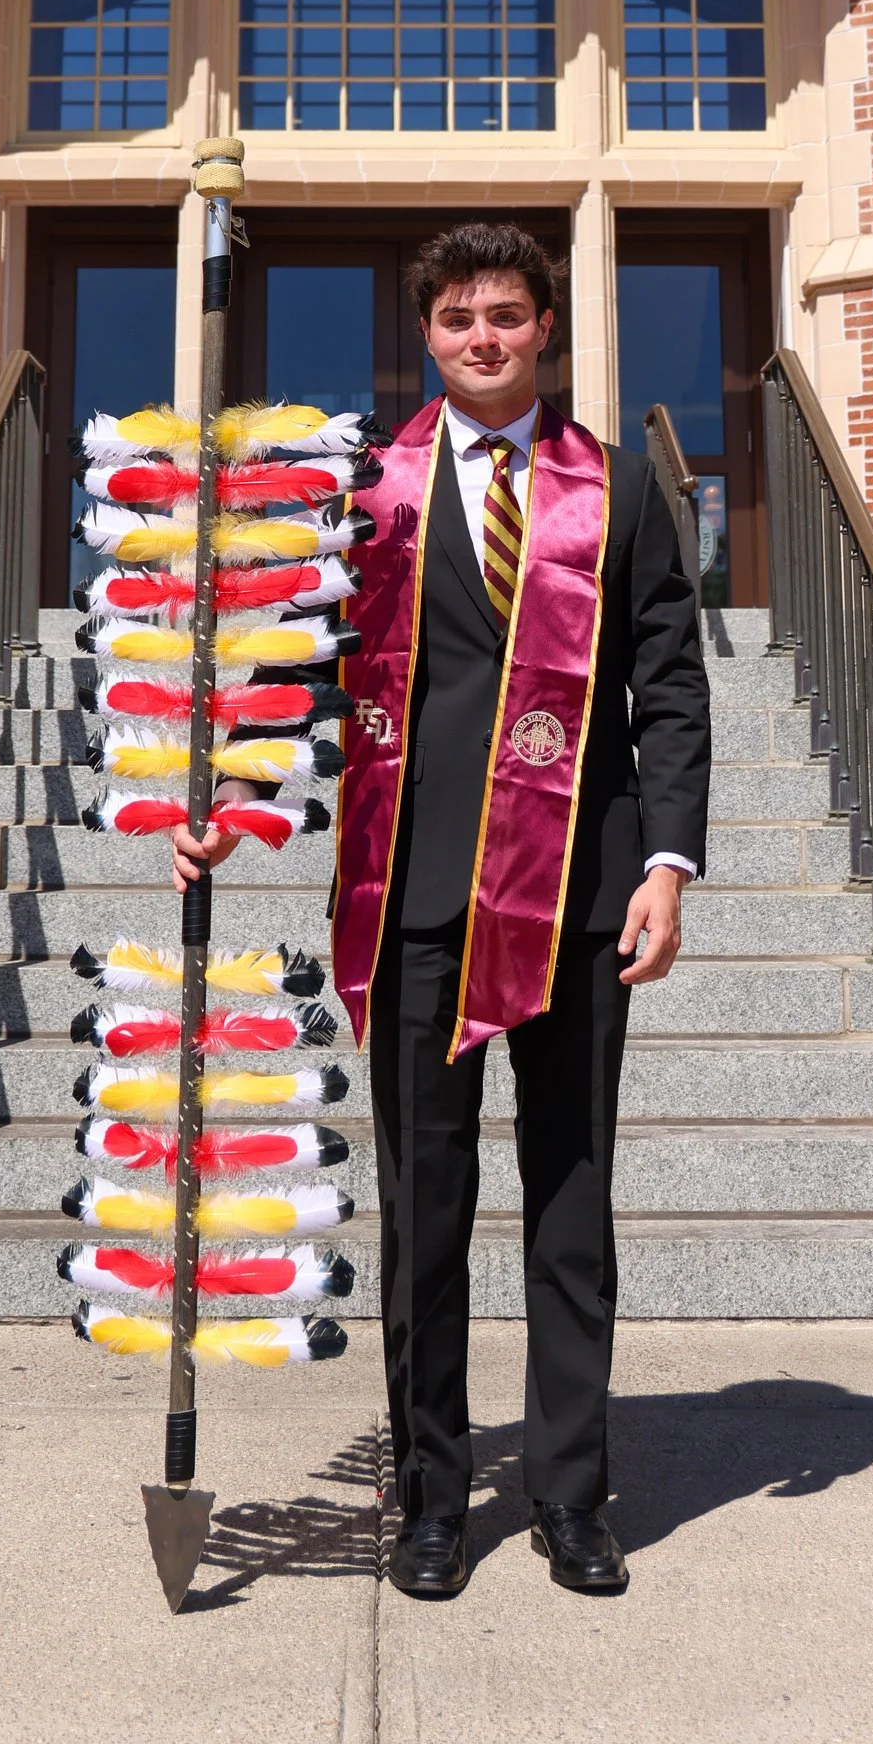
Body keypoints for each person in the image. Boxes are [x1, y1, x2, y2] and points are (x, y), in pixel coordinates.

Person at [176, 218, 711, 1600]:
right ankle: (427, 1496)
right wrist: (221, 810)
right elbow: (288, 664)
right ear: (427, 336)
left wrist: (667, 867)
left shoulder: (624, 487)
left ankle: (575, 1496)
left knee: (571, 1201)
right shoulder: (367, 488)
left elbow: (674, 689)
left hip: (581, 896)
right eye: (461, 318)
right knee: (425, 1207)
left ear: (547, 331)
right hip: (412, 894)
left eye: (509, 317)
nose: (486, 337)